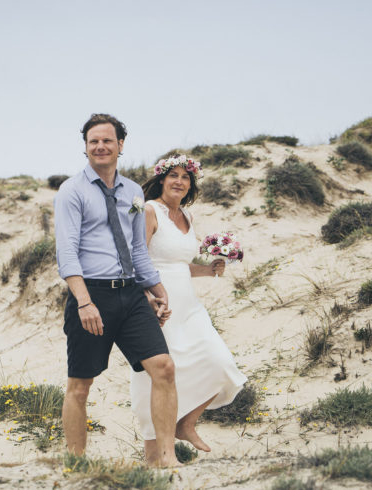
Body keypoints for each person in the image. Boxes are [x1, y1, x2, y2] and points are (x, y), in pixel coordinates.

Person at [53, 114, 180, 467]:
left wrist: (157, 289)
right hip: (91, 296)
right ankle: (77, 464)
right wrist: (84, 302)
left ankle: (166, 459)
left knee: (164, 368)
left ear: (120, 145)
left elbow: (137, 248)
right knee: (80, 386)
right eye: (93, 141)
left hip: (131, 295)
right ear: (85, 147)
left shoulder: (134, 192)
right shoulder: (72, 191)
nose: (100, 147)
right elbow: (67, 252)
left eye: (107, 140)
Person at [131, 155, 247, 463]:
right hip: (158, 306)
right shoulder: (149, 210)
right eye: (174, 175)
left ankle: (186, 423)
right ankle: (155, 455)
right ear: (162, 179)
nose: (179, 181)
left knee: (220, 362)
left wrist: (209, 270)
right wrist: (147, 297)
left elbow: (180, 265)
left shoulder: (187, 216)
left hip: (190, 307)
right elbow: (136, 259)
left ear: (190, 185)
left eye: (185, 177)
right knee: (155, 377)